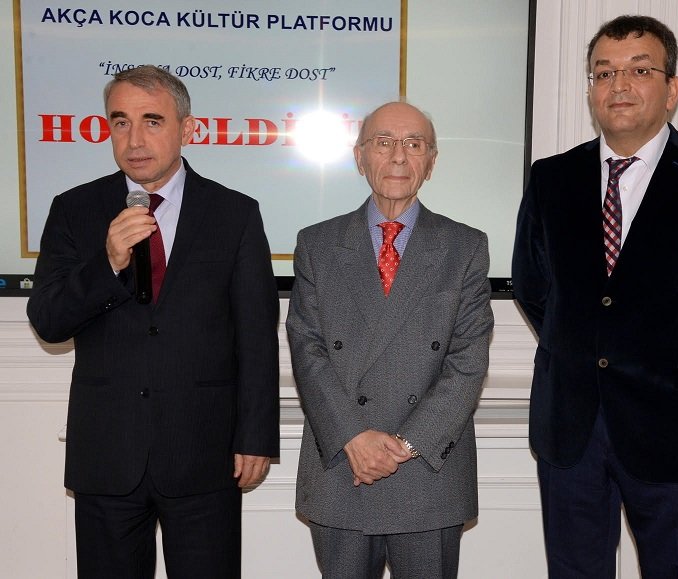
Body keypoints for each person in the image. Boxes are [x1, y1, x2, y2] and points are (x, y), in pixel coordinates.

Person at [512, 15, 678, 578]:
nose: (619, 85)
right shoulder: (551, 179)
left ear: (671, 89)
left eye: (639, 70)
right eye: (604, 72)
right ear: (590, 89)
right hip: (571, 431)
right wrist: (584, 353)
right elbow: (534, 288)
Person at [27, 65, 280, 578]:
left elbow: (256, 337)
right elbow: (49, 321)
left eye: (152, 121)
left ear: (188, 128)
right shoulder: (74, 209)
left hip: (204, 452)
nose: (135, 139)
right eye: (120, 122)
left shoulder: (234, 213)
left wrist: (256, 437)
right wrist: (107, 264)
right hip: (107, 453)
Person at [286, 101, 494, 578]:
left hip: (426, 470)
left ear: (431, 162)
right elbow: (307, 349)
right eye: (384, 143)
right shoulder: (317, 244)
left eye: (414, 144)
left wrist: (405, 444)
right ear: (360, 157)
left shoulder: (465, 247)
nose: (399, 156)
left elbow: (467, 361)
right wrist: (354, 438)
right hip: (342, 465)